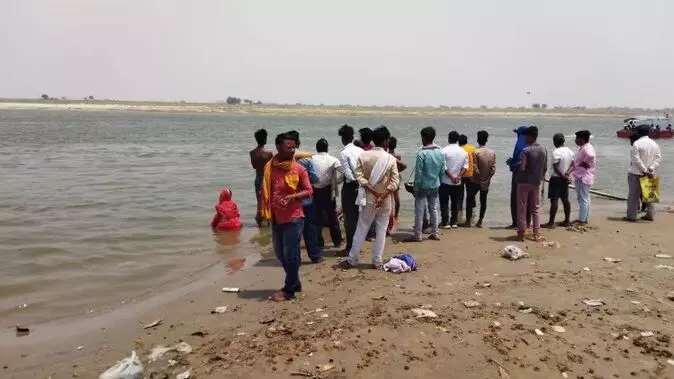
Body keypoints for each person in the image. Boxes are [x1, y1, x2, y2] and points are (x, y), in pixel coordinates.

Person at [260, 132, 313, 301]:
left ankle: (288, 290)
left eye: (293, 147)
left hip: (294, 218)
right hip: (276, 218)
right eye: (288, 147)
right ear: (278, 147)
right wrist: (262, 212)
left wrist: (294, 197)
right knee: (280, 254)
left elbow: (309, 191)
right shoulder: (270, 167)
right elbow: (265, 192)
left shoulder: (299, 169)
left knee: (290, 254)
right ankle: (295, 282)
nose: (292, 150)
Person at [341, 126, 400, 269]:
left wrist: (374, 192)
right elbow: (395, 182)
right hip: (385, 200)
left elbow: (360, 178)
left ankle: (352, 259)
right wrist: (383, 194)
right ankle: (377, 261)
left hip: (369, 198)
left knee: (361, 228)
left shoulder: (363, 156)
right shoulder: (390, 159)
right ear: (386, 141)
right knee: (381, 230)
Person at [287, 130, 323, 263]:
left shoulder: (281, 159)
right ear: (299, 142)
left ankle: (294, 257)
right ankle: (314, 255)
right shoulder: (306, 159)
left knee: (292, 231)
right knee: (309, 229)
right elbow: (316, 178)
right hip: (306, 199)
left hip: (290, 200)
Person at [410, 127, 444, 241]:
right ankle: (435, 232)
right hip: (435, 185)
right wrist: (439, 181)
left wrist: (415, 188)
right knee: (433, 209)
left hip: (422, 186)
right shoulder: (440, 152)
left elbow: (418, 173)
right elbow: (442, 171)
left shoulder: (422, 154)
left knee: (419, 211)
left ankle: (418, 235)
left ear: (423, 138)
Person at [515, 126, 547, 241]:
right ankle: (536, 233)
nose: (523, 138)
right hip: (536, 182)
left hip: (523, 181)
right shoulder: (543, 149)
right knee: (535, 208)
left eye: (525, 136)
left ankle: (522, 232)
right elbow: (545, 167)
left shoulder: (525, 150)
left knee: (522, 207)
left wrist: (516, 164)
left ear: (529, 136)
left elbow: (523, 167)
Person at [311, 138, 344, 248]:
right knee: (332, 218)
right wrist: (337, 182)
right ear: (327, 148)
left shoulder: (311, 159)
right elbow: (344, 172)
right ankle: (337, 241)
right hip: (328, 191)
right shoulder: (333, 160)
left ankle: (319, 243)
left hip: (315, 191)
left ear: (317, 148)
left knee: (317, 218)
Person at [626, 126, 662, 222]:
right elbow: (658, 158)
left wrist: (644, 170)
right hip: (650, 174)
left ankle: (631, 216)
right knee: (650, 196)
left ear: (638, 133)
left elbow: (636, 159)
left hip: (636, 173)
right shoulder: (655, 144)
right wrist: (651, 168)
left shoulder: (637, 144)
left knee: (633, 196)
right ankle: (650, 216)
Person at [338, 124, 365, 254]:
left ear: (343, 139)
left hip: (350, 187)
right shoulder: (361, 151)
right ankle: (358, 246)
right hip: (363, 186)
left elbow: (347, 173)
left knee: (349, 219)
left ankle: (350, 247)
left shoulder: (344, 153)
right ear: (352, 136)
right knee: (360, 218)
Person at [543, 133, 575, 228]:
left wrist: (563, 176)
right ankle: (567, 220)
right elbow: (573, 165)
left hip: (556, 178)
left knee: (554, 200)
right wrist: (567, 173)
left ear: (555, 141)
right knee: (565, 199)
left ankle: (551, 223)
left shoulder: (556, 152)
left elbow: (556, 167)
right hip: (565, 178)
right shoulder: (570, 151)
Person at [440, 131, 468, 228]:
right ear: (457, 139)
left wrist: (451, 176)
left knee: (444, 201)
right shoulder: (463, 152)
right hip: (458, 182)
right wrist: (459, 176)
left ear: (449, 138)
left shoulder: (444, 151)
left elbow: (443, 167)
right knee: (455, 202)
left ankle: (445, 222)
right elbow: (465, 166)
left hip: (445, 181)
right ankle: (454, 222)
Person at [570, 130, 596, 224]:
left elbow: (591, 155)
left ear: (582, 139)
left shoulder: (586, 148)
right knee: (585, 198)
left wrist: (584, 163)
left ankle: (581, 220)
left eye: (577, 138)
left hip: (584, 177)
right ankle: (584, 218)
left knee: (582, 199)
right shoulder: (584, 147)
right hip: (583, 176)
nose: (575, 140)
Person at [506, 126, 531, 229]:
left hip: (518, 174)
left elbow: (517, 161)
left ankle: (515, 222)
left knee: (515, 198)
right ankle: (528, 222)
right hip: (529, 175)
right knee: (528, 199)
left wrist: (511, 162)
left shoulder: (519, 145)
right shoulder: (529, 144)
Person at [471, 130, 496, 228]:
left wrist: (480, 180)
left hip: (476, 180)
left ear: (477, 139)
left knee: (471, 197)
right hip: (486, 180)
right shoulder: (492, 152)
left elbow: (476, 169)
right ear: (486, 140)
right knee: (483, 200)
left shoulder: (476, 152)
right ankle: (480, 221)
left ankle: (470, 218)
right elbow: (493, 169)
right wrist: (487, 179)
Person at [250, 129, 273, 226]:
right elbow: (272, 168)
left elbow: (254, 166)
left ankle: (260, 222)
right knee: (268, 201)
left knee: (259, 201)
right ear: (264, 139)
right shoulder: (269, 153)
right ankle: (268, 221)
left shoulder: (252, 153)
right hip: (267, 179)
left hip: (258, 178)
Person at [387, 136, 407, 235]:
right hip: (397, 177)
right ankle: (396, 215)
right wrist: (398, 172)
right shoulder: (397, 156)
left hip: (388, 178)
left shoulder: (386, 155)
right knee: (396, 197)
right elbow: (401, 166)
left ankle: (390, 217)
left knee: (389, 198)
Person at [458, 134, 478, 227]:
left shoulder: (458, 149)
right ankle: (472, 217)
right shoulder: (473, 148)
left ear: (459, 142)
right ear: (466, 141)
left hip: (461, 175)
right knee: (471, 196)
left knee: (460, 196)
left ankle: (459, 217)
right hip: (471, 175)